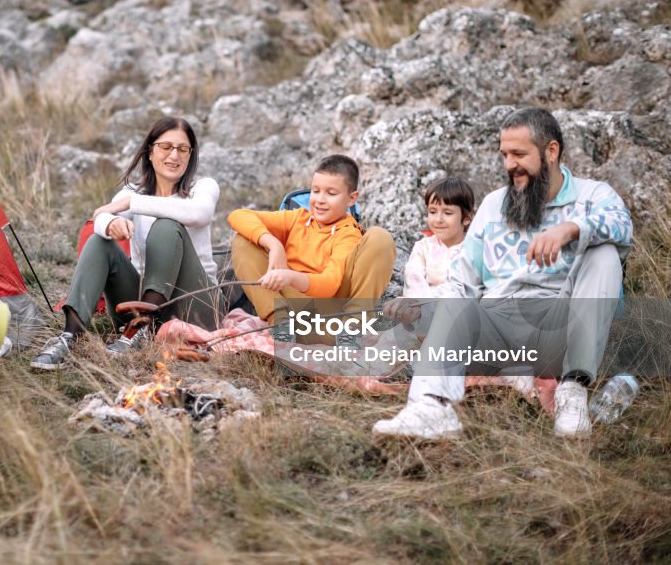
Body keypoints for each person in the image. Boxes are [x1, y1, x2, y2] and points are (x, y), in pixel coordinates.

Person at [373, 107, 633, 440]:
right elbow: (463, 281)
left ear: (551, 151)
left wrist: (571, 229)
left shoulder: (593, 195)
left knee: (605, 253)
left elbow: (622, 226)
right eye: (505, 155)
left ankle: (573, 391)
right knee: (456, 297)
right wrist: (422, 304)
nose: (510, 164)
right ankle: (430, 407)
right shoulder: (494, 204)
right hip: (497, 328)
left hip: (559, 329)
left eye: (519, 154)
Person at [31, 117, 220, 370]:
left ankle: (142, 329)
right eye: (166, 147)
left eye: (183, 149)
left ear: (190, 156)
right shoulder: (131, 192)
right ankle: (70, 337)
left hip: (196, 305)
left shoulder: (203, 188)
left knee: (166, 225)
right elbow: (101, 216)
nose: (174, 155)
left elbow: (199, 213)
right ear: (150, 152)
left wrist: (132, 204)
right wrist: (110, 224)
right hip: (143, 299)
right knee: (101, 242)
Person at [227, 154, 395, 346]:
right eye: (316, 191)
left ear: (351, 199)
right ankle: (280, 323)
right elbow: (238, 215)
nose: (320, 200)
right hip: (291, 313)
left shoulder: (348, 233)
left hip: (329, 318)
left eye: (331, 194)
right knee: (244, 240)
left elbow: (329, 284)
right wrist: (274, 244)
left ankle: (352, 329)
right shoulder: (297, 218)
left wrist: (289, 276)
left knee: (380, 237)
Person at [374, 177, 476, 360]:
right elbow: (413, 278)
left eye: (447, 212)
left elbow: (465, 288)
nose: (438, 219)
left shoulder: (473, 249)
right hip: (420, 315)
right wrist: (420, 308)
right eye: (432, 211)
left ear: (467, 218)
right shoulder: (423, 247)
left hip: (456, 318)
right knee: (392, 341)